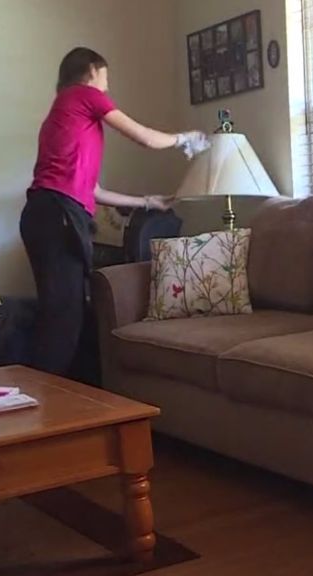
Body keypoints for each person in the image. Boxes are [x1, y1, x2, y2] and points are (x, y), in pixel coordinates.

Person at [20, 47, 208, 377]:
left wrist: (149, 202)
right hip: (57, 214)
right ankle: (42, 407)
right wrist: (184, 138)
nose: (106, 87)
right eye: (105, 78)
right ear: (91, 72)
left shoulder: (65, 115)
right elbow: (145, 138)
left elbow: (93, 191)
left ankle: (71, 402)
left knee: (70, 314)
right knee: (64, 319)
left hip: (49, 213)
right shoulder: (83, 95)